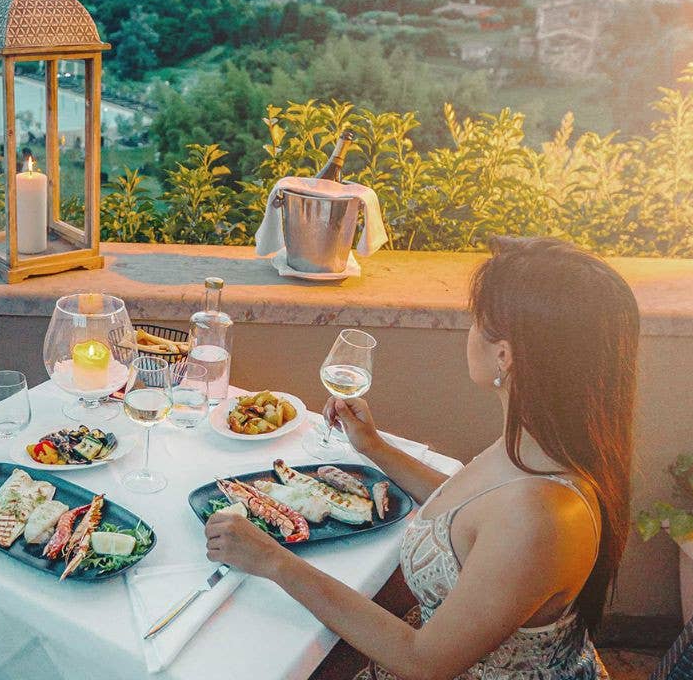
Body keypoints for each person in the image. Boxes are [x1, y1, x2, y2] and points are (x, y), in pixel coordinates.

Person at [205, 236, 640, 680]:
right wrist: (373, 447)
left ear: (504, 356)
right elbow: (469, 514)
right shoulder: (537, 445)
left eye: (476, 320)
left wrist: (274, 561)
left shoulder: (542, 515)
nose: (468, 330)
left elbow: (422, 661)